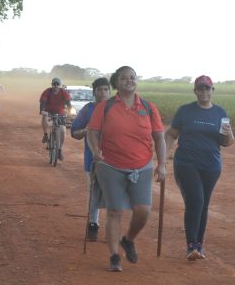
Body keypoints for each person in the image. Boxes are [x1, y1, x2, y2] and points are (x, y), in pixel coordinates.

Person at [87, 66, 166, 272]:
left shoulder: (148, 107)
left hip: (142, 166)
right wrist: (95, 150)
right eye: (124, 78)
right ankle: (114, 256)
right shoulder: (105, 106)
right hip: (110, 165)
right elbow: (93, 132)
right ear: (117, 81)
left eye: (132, 78)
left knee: (143, 210)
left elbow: (159, 137)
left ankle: (128, 239)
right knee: (114, 211)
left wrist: (163, 164)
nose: (129, 81)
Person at [164, 75, 235, 261]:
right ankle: (191, 246)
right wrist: (162, 158)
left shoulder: (220, 113)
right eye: (200, 89)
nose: (204, 92)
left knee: (203, 205)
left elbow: (227, 142)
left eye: (207, 88)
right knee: (195, 200)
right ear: (195, 91)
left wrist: (228, 135)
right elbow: (170, 134)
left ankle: (198, 246)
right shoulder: (185, 111)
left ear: (212, 91)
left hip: (211, 165)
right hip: (186, 163)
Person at [71, 77, 111, 241]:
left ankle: (112, 226)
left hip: (116, 159)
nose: (103, 93)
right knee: (95, 192)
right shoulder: (88, 110)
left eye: (106, 89)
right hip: (92, 159)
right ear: (94, 92)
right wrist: (86, 131)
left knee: (114, 194)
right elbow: (74, 132)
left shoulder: (117, 109)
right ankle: (93, 223)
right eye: (99, 90)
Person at [39, 77, 72, 161]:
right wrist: (42, 110)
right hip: (48, 112)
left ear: (60, 85)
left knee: (63, 131)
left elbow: (68, 104)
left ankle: (60, 150)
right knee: (44, 117)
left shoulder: (64, 92)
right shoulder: (47, 91)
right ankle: (46, 135)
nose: (56, 86)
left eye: (58, 84)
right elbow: (42, 102)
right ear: (52, 85)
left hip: (60, 113)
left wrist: (69, 112)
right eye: (54, 84)